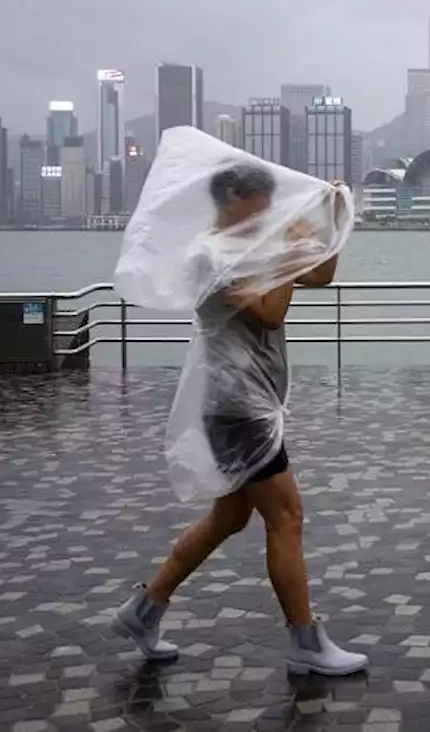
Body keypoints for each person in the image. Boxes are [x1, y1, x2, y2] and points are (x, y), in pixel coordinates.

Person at [112, 161, 367, 676]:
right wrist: (294, 239)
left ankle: (143, 611)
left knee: (229, 517)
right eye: (262, 202)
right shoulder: (212, 253)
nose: (269, 212)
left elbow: (320, 273)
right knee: (287, 517)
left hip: (248, 401)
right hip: (237, 405)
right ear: (233, 196)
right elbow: (271, 311)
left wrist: (333, 222)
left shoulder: (253, 246)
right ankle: (306, 642)